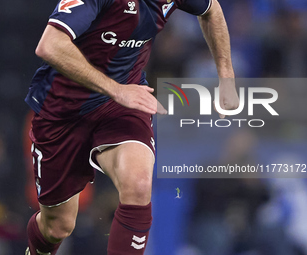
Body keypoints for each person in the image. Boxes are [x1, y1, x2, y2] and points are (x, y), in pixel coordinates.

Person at [24, 0, 239, 253]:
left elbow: (211, 9)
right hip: (64, 112)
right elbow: (50, 45)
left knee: (138, 183)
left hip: (125, 101)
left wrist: (226, 77)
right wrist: (116, 90)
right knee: (57, 227)